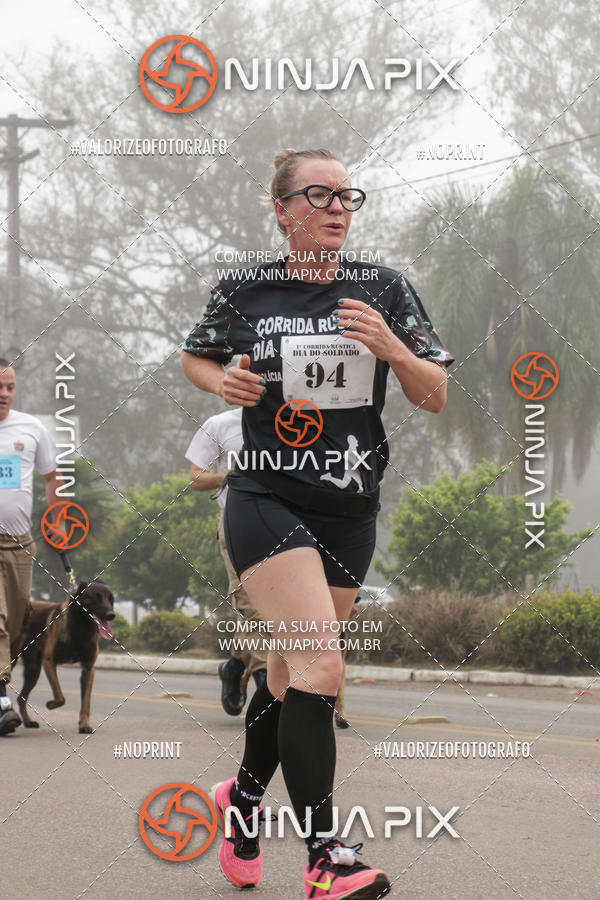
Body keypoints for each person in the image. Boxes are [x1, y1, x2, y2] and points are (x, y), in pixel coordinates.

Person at [181, 148, 453, 899]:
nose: (338, 208)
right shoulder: (244, 290)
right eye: (320, 194)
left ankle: (240, 801)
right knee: (321, 669)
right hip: (266, 497)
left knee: (288, 674)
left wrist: (390, 346)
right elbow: (195, 357)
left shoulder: (383, 288)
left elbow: (433, 393)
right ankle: (326, 858)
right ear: (282, 209)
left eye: (347, 196)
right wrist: (223, 380)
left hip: (350, 508)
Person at [185, 407, 267, 715]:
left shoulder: (295, 421)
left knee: (273, 606)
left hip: (287, 524)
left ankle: (234, 665)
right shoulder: (220, 424)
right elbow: (195, 478)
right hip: (237, 521)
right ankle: (265, 686)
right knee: (250, 602)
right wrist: (228, 476)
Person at [0, 358, 61, 736]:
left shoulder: (31, 428)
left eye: (10, 387)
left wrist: (57, 521)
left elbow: (51, 477)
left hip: (21, 543)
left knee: (17, 621)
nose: (4, 393)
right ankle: (2, 700)